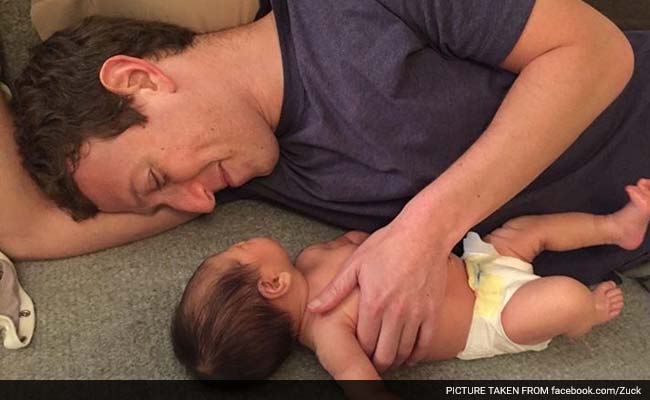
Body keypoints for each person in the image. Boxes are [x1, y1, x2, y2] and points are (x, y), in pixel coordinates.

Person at [7, 0, 648, 370]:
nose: (197, 205)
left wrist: (423, 231)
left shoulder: (353, 10)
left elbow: (597, 53)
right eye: (164, 202)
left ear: (139, 81)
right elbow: (26, 228)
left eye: (157, 178)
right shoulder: (244, 173)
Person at [171, 180, 650, 382]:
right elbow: (357, 377)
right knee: (562, 298)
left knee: (529, 230)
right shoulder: (327, 331)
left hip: (474, 264)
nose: (239, 242)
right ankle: (585, 316)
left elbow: (366, 243)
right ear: (271, 285)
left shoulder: (311, 257)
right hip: (488, 317)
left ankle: (617, 227)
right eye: (234, 253)